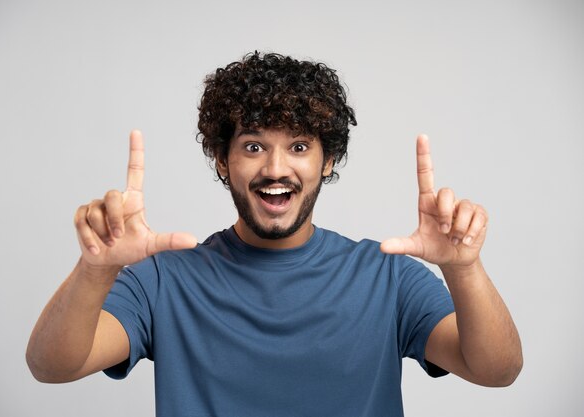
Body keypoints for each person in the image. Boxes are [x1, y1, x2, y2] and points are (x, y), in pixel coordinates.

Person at [26, 52, 522, 416]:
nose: (277, 168)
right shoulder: (162, 279)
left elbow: (496, 371)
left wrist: (464, 268)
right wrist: (96, 269)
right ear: (223, 160)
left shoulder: (387, 276)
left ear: (327, 162)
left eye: (300, 146)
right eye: (254, 145)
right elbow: (52, 366)